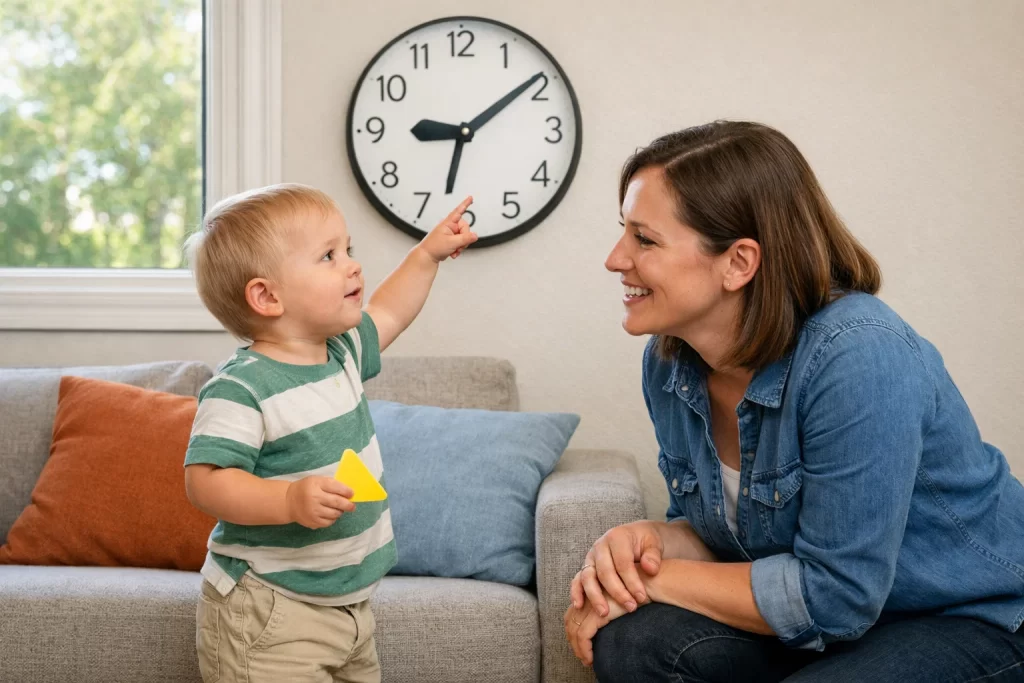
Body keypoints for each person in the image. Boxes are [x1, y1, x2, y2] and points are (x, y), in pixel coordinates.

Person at [564, 121, 1024, 681]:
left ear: (738, 262)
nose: (615, 259)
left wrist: (655, 579)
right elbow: (723, 538)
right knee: (635, 640)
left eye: (644, 239)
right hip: (822, 625)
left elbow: (838, 596)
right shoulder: (669, 364)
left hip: (965, 617)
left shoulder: (859, 355)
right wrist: (648, 544)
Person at [182, 183, 476, 682]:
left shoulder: (341, 353)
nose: (352, 265)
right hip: (269, 610)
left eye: (348, 250)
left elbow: (389, 310)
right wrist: (288, 500)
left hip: (348, 606)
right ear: (267, 296)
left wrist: (427, 255)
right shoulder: (242, 387)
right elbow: (205, 480)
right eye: (328, 255)